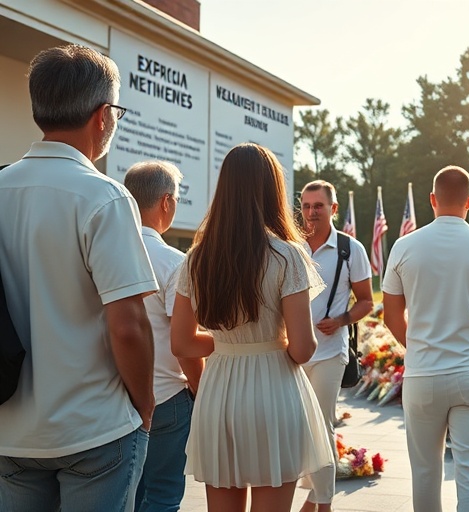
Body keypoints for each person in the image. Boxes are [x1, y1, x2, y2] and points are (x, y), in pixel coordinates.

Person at [0, 44, 157, 511]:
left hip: (11, 429)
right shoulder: (103, 197)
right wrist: (145, 407)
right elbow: (128, 325)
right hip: (95, 428)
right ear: (103, 114)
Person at [170, 143, 333, 512]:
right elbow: (303, 349)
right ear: (271, 190)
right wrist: (265, 342)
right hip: (274, 391)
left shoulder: (196, 258)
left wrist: (229, 345)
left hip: (219, 393)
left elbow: (181, 342)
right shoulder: (286, 255)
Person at [382, 165, 469, 511]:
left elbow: (391, 315)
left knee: (425, 475)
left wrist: (417, 350)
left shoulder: (403, 246)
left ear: (432, 200)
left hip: (423, 375)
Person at [125, 161, 205, 511]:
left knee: (128, 495)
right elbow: (184, 342)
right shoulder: (174, 262)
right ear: (167, 202)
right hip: (166, 397)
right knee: (162, 494)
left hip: (111, 396)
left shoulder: (97, 250)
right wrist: (201, 390)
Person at [298, 180, 374, 512]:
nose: (312, 212)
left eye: (319, 206)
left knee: (323, 425)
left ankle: (322, 505)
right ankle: (312, 500)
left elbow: (367, 301)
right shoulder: (291, 245)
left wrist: (341, 319)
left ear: (333, 209)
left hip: (330, 353)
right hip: (291, 353)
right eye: (306, 206)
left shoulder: (349, 249)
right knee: (296, 429)